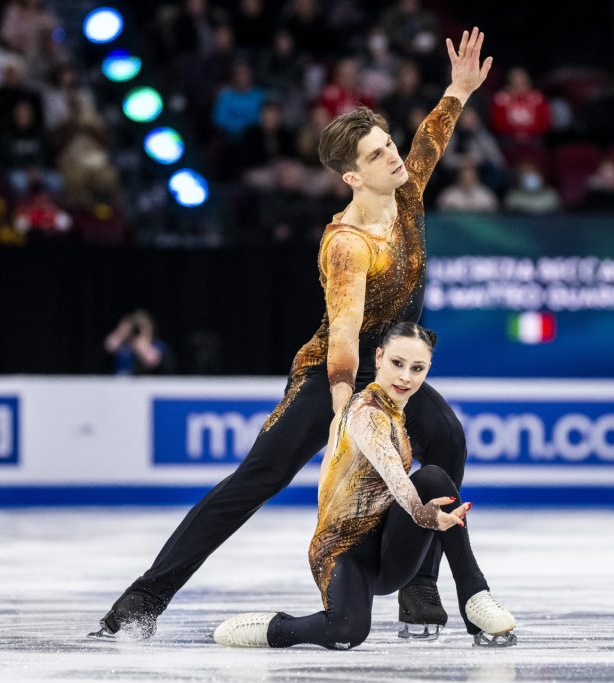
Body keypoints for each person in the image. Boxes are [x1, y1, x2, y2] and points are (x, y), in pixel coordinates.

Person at [90, 26, 493, 641]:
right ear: (353, 178)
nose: (392, 158)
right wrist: (340, 410)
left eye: (388, 146)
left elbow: (430, 141)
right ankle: (142, 600)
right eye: (377, 156)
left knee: (448, 440)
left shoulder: (405, 195)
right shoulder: (347, 244)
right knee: (255, 481)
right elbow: (345, 330)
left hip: (387, 372)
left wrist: (458, 90)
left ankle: (419, 588)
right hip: (333, 371)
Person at [212, 323, 516, 650]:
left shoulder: (396, 411)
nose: (406, 377)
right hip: (342, 549)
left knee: (433, 478)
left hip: (389, 545)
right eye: (397, 364)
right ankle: (274, 629)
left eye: (417, 369)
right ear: (379, 357)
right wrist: (422, 513)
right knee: (346, 630)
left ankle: (474, 594)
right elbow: (391, 472)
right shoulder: (365, 410)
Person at [104, 310, 175, 376]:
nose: (139, 333)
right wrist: (121, 332)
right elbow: (110, 347)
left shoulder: (159, 346)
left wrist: (142, 347)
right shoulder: (125, 349)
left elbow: (153, 360)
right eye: (136, 330)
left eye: (143, 328)